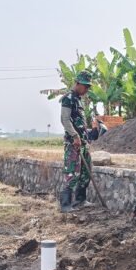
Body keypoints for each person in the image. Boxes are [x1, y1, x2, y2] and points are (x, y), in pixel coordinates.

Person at [58, 71, 93, 212]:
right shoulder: (68, 98)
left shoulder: (78, 99)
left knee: (86, 172)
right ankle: (65, 205)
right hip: (73, 143)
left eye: (88, 87)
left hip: (83, 143)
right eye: (85, 86)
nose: (86, 90)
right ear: (77, 83)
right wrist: (74, 136)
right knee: (72, 172)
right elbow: (65, 120)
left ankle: (80, 200)